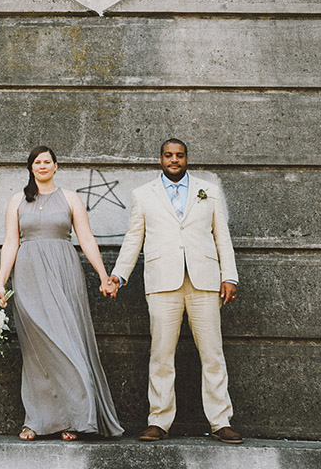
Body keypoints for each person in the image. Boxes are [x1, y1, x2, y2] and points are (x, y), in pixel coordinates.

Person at [108, 138, 242, 443]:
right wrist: (118, 276)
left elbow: (222, 237)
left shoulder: (209, 190)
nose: (174, 160)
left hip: (204, 281)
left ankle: (221, 421)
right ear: (160, 159)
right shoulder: (143, 195)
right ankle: (159, 421)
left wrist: (230, 277)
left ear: (186, 158)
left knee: (213, 355)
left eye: (179, 155)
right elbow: (133, 240)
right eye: (168, 155)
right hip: (162, 282)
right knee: (161, 355)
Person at [0, 145, 124, 442]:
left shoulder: (71, 198)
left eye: (47, 162)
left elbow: (87, 239)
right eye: (37, 162)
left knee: (69, 343)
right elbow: (11, 243)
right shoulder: (17, 200)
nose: (42, 166)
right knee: (36, 349)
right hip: (28, 276)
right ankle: (37, 421)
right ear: (31, 167)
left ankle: (75, 418)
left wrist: (104, 276)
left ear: (56, 166)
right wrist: (1, 284)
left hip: (64, 272)